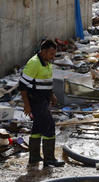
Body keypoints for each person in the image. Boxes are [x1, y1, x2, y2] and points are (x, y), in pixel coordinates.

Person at [19, 39, 65, 167]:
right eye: (51, 54)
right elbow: (22, 86)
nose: (53, 57)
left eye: (54, 54)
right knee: (49, 126)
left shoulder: (46, 62)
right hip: (36, 99)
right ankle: (49, 159)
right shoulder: (34, 63)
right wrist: (27, 104)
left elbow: (46, 80)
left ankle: (34, 156)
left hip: (44, 98)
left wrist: (52, 94)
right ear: (43, 52)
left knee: (38, 127)